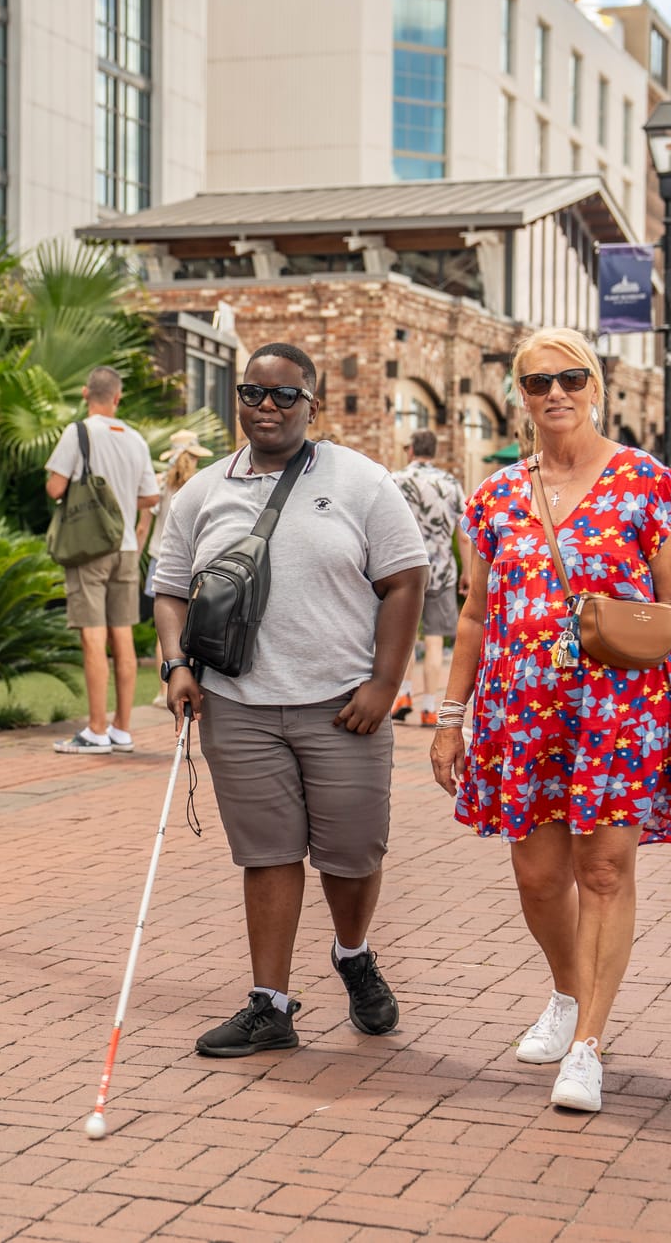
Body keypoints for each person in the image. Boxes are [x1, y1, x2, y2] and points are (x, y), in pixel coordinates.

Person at [428, 326, 671, 1116]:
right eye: (536, 382)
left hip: (620, 712)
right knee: (537, 878)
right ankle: (566, 993)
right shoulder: (495, 494)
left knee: (603, 871)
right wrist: (449, 716)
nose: (554, 393)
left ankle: (589, 1041)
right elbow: (474, 615)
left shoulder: (645, 482)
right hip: (521, 716)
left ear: (595, 386)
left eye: (570, 377)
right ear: (518, 397)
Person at [155, 342, 428, 1058]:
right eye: (252, 393)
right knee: (268, 853)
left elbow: (406, 579)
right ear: (236, 401)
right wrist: (175, 664)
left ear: (314, 402)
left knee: (351, 853)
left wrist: (383, 685)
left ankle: (352, 953)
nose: (266, 407)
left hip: (344, 705)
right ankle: (269, 1004)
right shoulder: (204, 490)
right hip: (239, 704)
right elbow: (169, 587)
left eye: (284, 395)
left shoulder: (361, 480)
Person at [45, 366, 161, 755]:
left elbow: (55, 486)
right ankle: (122, 729)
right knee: (122, 633)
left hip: (89, 548)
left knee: (93, 637)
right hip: (126, 547)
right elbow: (149, 498)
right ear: (117, 398)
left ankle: (95, 730)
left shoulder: (78, 433)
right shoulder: (135, 439)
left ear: (84, 393)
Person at [391, 429, 472, 727]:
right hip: (442, 570)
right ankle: (428, 708)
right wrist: (467, 571)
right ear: (434, 450)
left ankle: (404, 695)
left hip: (404, 569)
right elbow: (463, 534)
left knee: (406, 635)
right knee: (436, 639)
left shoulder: (396, 480)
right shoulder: (450, 484)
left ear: (411, 449)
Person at [144, 429, 212, 709]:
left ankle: (164, 688)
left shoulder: (160, 485)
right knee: (190, 625)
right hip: (192, 563)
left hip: (159, 558)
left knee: (165, 627)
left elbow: (142, 527)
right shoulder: (199, 485)